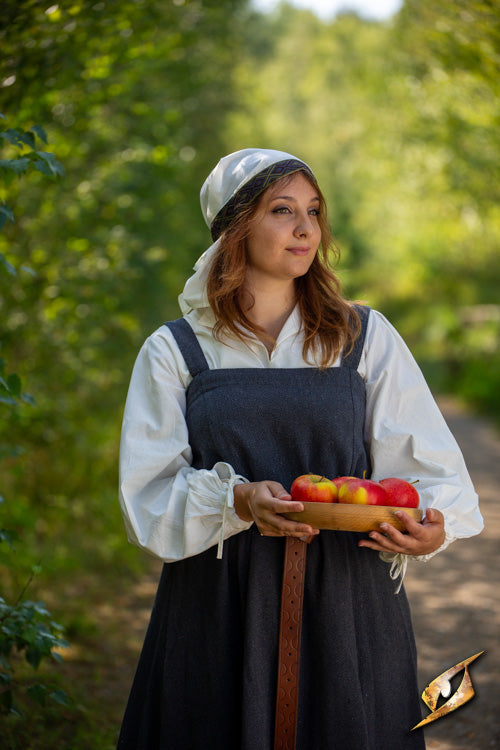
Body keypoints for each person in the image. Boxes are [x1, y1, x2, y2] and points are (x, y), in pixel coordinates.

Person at [116, 148, 483, 750]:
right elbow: (147, 493)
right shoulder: (175, 350)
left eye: (314, 211)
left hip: (348, 598)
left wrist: (433, 527)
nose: (307, 228)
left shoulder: (363, 336)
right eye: (282, 210)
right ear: (236, 226)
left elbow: (429, 470)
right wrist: (236, 501)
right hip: (220, 599)